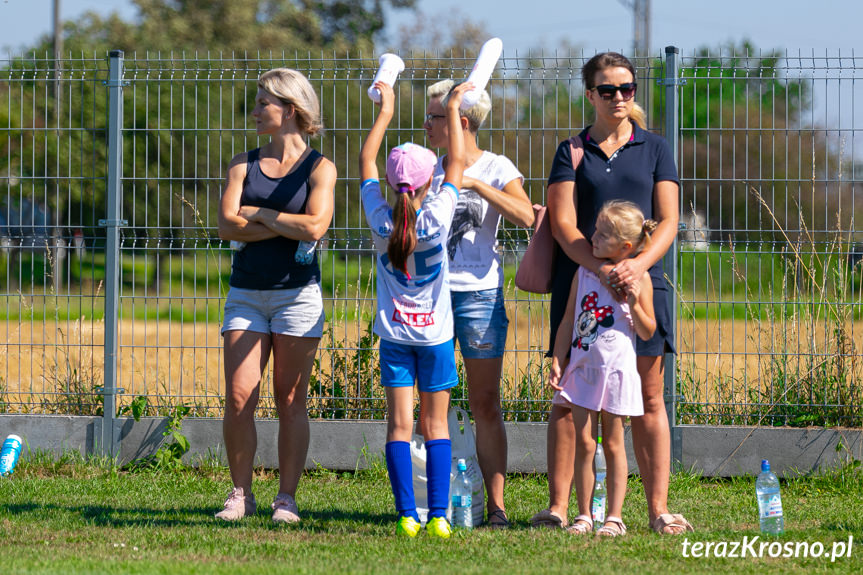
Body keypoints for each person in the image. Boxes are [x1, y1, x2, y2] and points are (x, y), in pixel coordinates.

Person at [532, 52, 694, 534]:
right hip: (581, 283)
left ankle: (657, 509)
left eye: (627, 88)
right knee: (568, 398)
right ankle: (561, 507)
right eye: (608, 90)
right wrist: (602, 269)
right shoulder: (571, 150)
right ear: (590, 95)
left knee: (649, 397)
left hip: (643, 285)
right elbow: (562, 224)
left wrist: (637, 266)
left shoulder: (656, 148)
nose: (619, 97)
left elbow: (668, 219)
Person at [215, 68, 337, 523]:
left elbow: (316, 227)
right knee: (239, 396)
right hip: (245, 296)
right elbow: (227, 225)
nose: (254, 110)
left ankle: (286, 498)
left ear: (290, 109)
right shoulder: (241, 164)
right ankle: (240, 494)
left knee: (290, 399)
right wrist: (286, 223)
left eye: (263, 102)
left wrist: (260, 215)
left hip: (297, 298)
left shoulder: (321, 167)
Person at [359, 79, 473, 538]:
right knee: (436, 424)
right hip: (436, 338)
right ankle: (440, 516)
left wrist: (384, 112)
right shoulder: (438, 216)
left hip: (395, 340)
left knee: (400, 427)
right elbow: (460, 161)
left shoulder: (379, 217)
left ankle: (408, 515)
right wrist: (453, 106)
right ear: (430, 180)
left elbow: (366, 160)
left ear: (389, 181)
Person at [423, 79, 534, 528]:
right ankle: (435, 504)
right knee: (430, 402)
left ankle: (496, 508)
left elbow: (527, 215)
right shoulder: (426, 166)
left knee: (485, 402)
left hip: (480, 298)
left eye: (433, 117)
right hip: (428, 297)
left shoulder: (497, 165)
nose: (427, 125)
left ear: (459, 122)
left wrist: (473, 183)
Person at [548, 200, 657, 537]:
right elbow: (568, 319)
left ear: (625, 246)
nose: (592, 237)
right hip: (583, 371)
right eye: (595, 229)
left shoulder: (641, 280)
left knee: (612, 444)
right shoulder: (584, 273)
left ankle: (614, 517)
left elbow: (648, 330)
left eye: (602, 234)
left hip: (616, 374)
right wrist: (557, 357)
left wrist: (635, 303)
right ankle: (583, 515)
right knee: (584, 442)